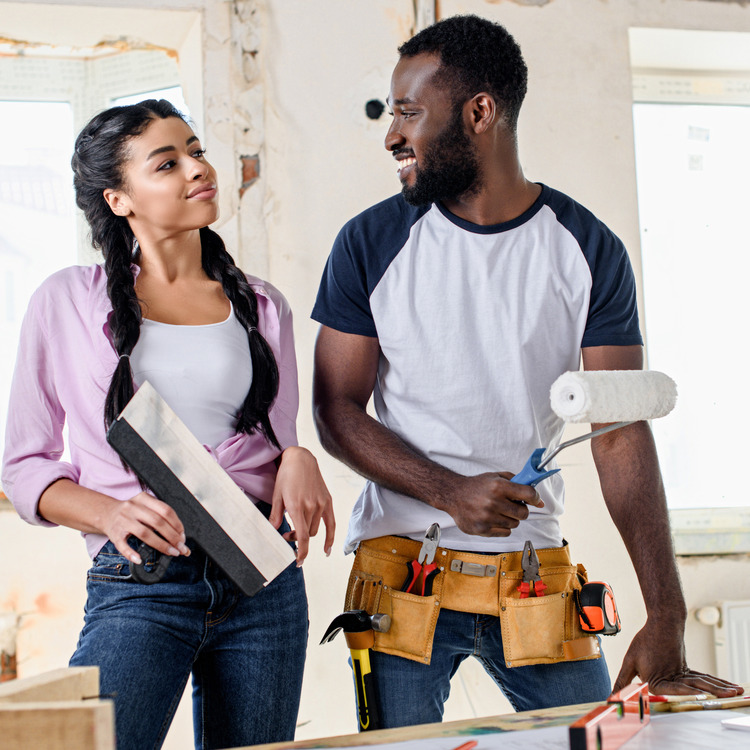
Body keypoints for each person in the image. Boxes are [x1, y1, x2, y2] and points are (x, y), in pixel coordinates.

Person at [310, 14, 742, 729]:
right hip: (403, 568)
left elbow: (619, 428)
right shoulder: (372, 242)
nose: (392, 135)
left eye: (410, 113)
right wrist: (449, 491)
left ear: (480, 112)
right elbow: (336, 409)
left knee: (600, 742)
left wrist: (666, 612)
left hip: (533, 573)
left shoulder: (587, 250)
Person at [2, 99, 335, 750]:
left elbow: (270, 439)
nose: (198, 168)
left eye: (197, 150)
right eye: (168, 162)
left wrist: (297, 455)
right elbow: (23, 468)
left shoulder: (264, 305)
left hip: (262, 581)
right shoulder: (66, 301)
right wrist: (107, 513)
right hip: (141, 581)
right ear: (119, 199)